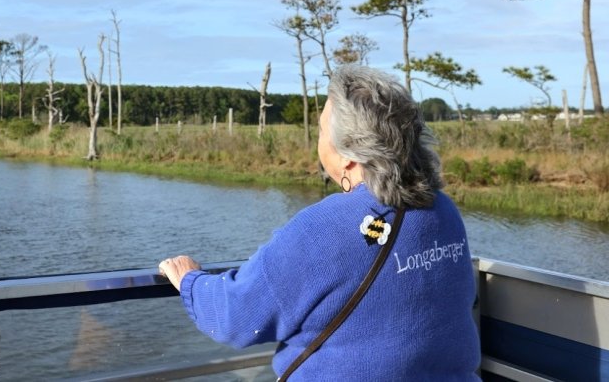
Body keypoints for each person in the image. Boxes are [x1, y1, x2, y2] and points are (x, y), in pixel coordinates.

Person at [158, 65, 480, 380]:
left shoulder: (321, 230)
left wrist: (190, 280)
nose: (319, 138)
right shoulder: (443, 211)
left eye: (323, 130)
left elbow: (237, 316)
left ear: (347, 155)